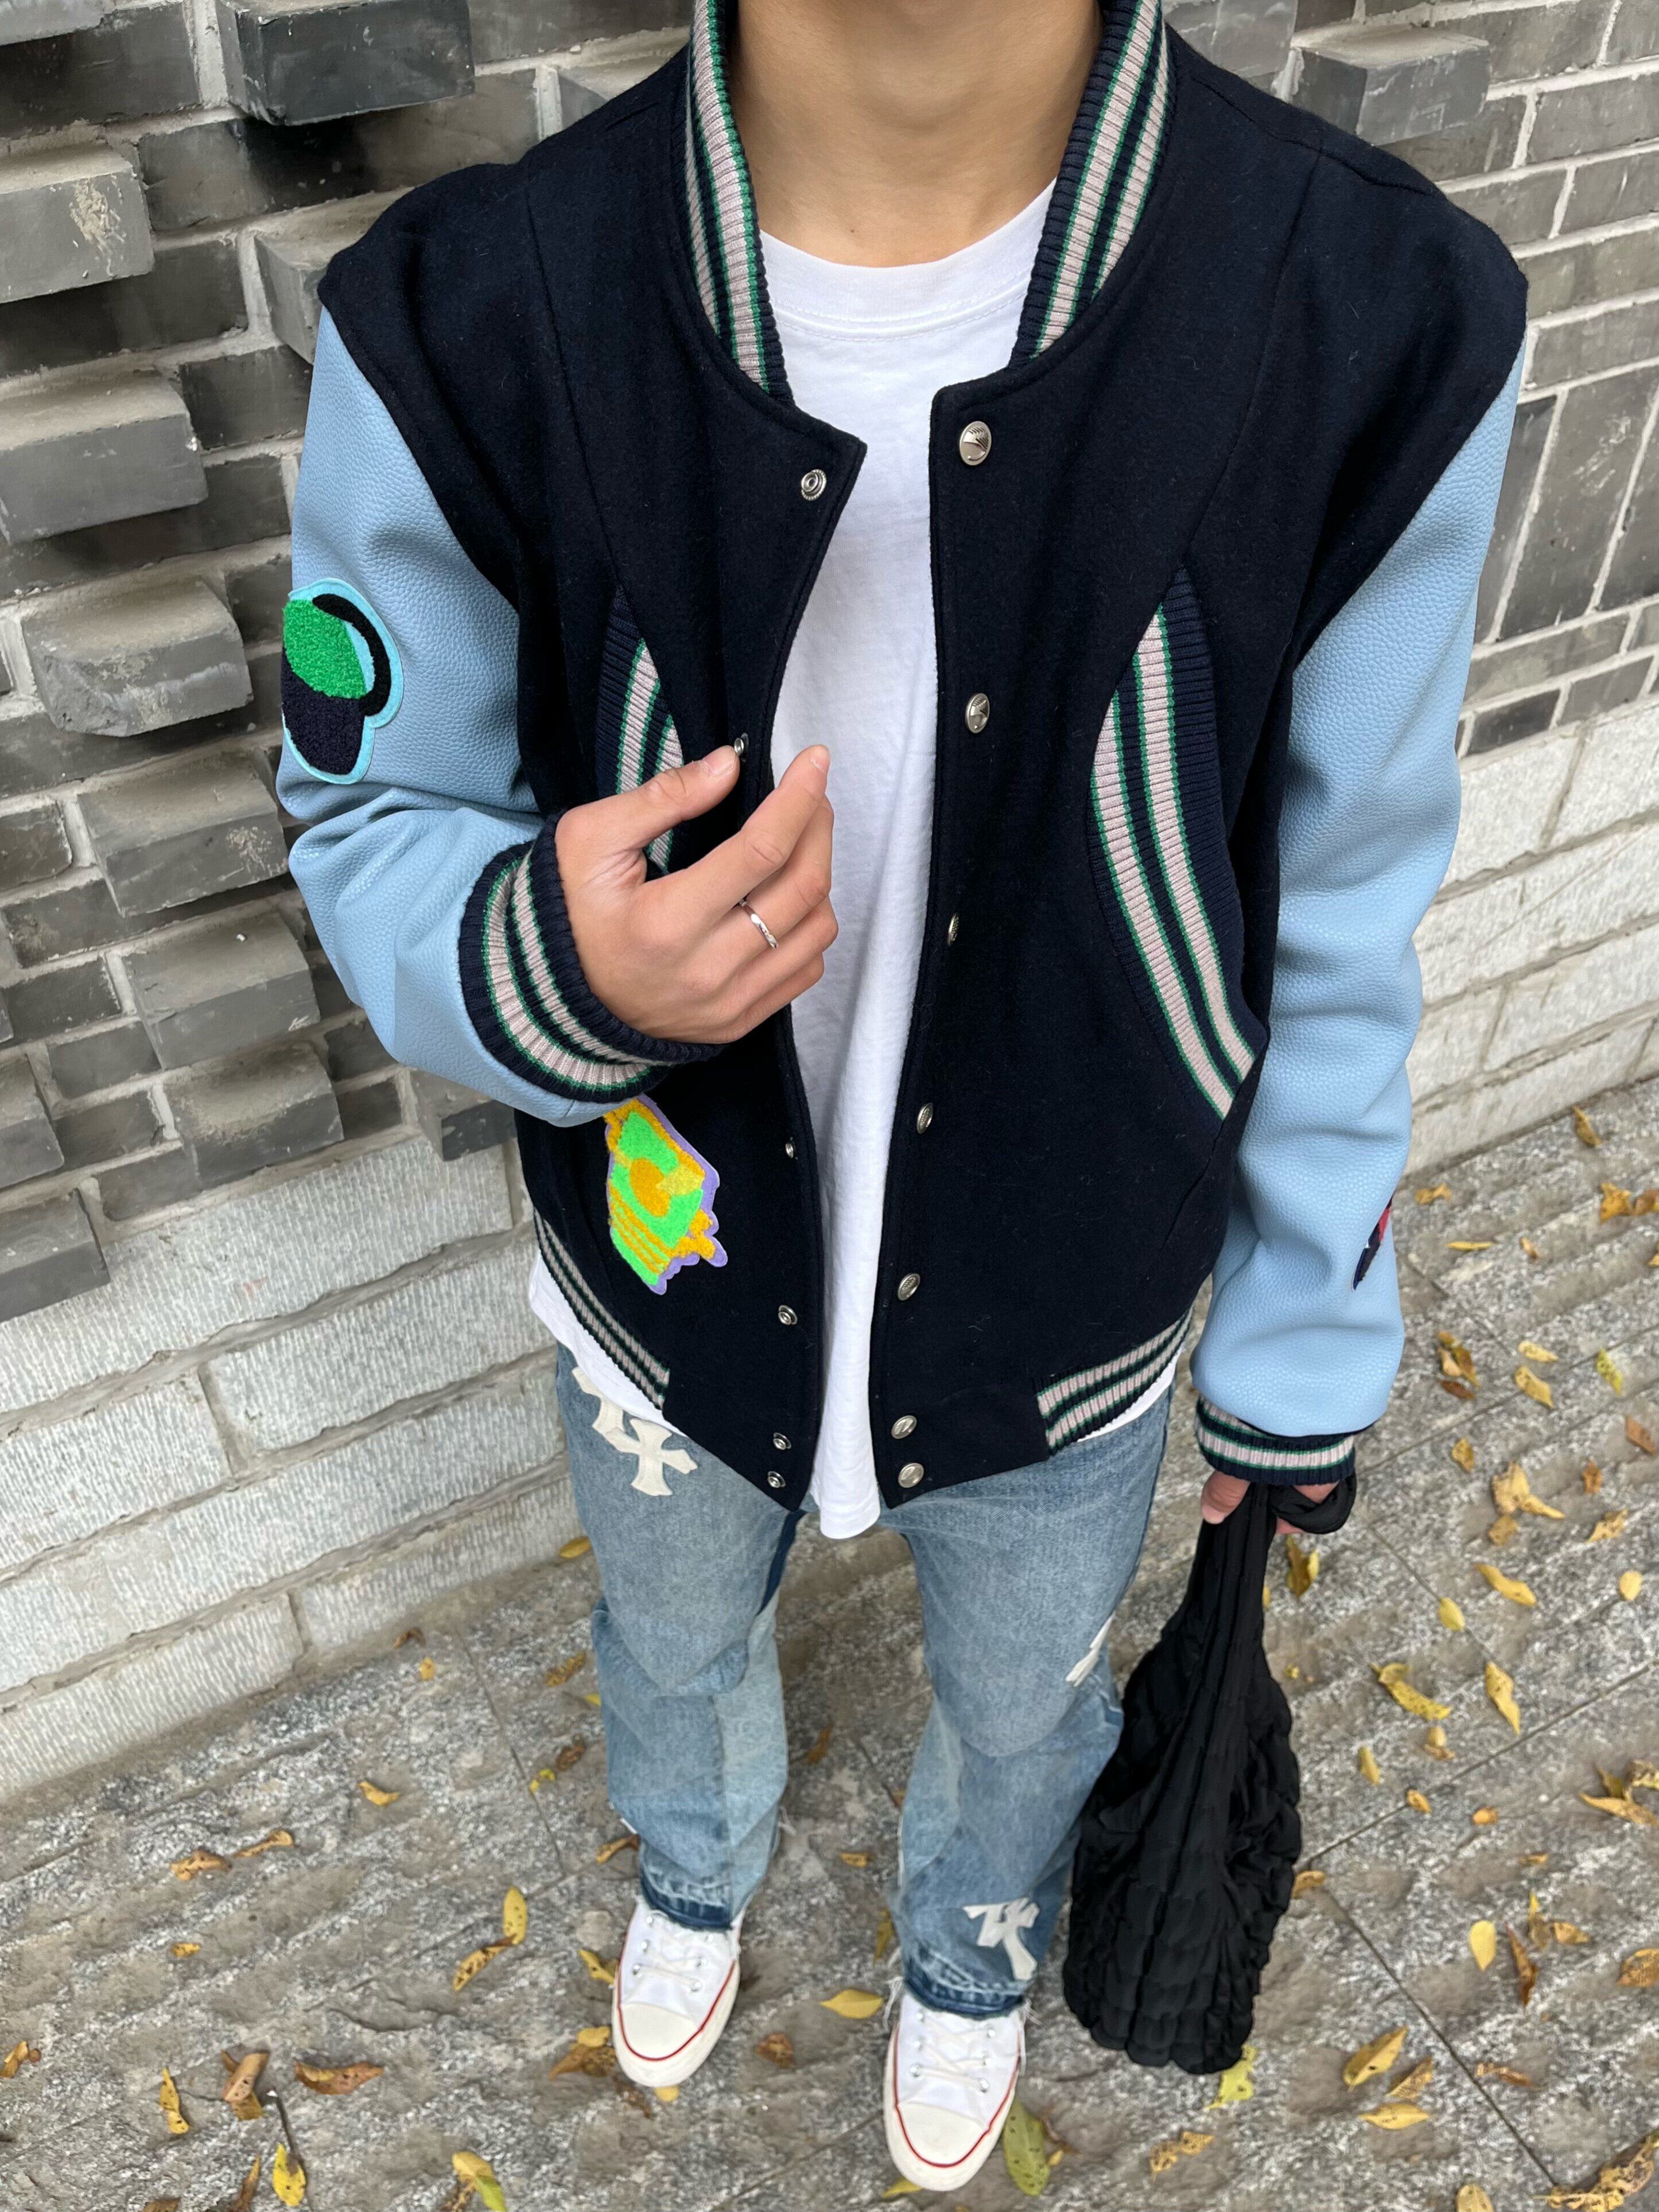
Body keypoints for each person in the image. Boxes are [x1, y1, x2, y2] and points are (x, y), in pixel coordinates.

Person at [277, 0, 1525, 2186]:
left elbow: (1340, 899)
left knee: (1027, 1696)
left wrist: (1303, 1339)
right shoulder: (468, 308)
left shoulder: (1371, 311)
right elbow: (368, 807)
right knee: (668, 1637)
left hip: (1071, 1301)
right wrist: (555, 960)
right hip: (661, 1279)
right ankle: (693, 1861)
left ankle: (972, 1943)